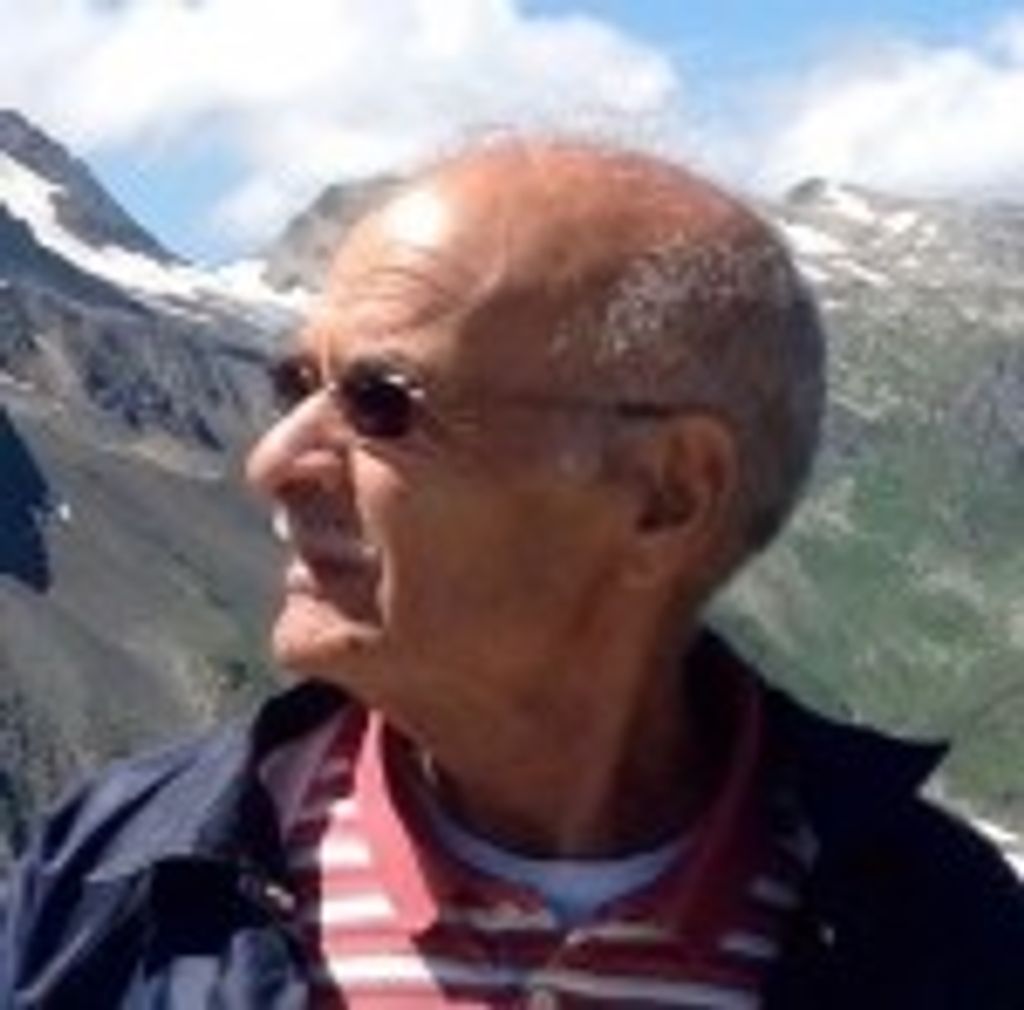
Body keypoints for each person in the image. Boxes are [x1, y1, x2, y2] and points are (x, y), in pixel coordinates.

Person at [2, 136, 1022, 1009]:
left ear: (667, 490)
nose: (273, 460)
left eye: (381, 401)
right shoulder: (111, 879)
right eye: (294, 383)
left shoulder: (945, 933)